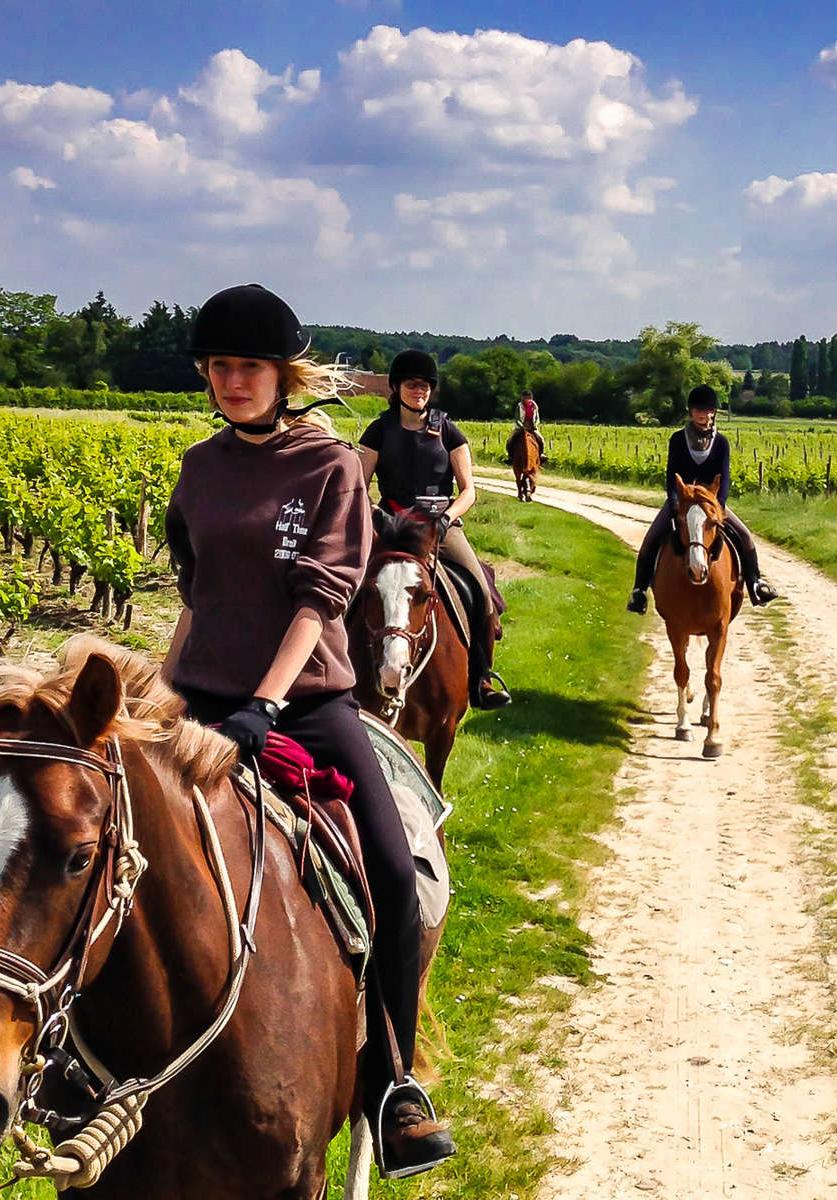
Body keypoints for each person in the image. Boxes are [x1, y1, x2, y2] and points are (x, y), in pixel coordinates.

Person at [162, 284, 455, 1179]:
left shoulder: (329, 466)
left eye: (246, 366)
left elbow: (320, 599)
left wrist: (265, 703)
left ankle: (394, 1080)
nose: (229, 381)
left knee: (396, 876)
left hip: (307, 704)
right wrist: (163, 692)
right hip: (202, 700)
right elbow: (197, 595)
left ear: (285, 375)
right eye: (216, 367)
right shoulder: (199, 467)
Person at [356, 350, 511, 710]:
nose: (419, 391)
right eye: (412, 385)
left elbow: (469, 490)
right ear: (396, 387)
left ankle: (481, 678)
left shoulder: (448, 431)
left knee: (481, 592)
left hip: (439, 525)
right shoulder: (379, 430)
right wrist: (376, 515)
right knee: (351, 587)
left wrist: (447, 517)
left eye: (425, 385)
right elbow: (359, 486)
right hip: (392, 526)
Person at [628, 384, 780, 614]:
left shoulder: (721, 443)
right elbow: (671, 478)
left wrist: (718, 505)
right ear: (690, 411)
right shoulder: (678, 440)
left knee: (746, 537)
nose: (702, 414)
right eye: (698, 409)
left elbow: (725, 479)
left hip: (712, 506)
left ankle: (756, 583)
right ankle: (639, 592)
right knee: (650, 541)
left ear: (714, 412)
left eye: (707, 409)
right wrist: (676, 504)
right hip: (683, 503)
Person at [513, 389, 546, 460]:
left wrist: (535, 424)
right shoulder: (519, 406)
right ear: (522, 398)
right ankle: (510, 455)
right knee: (511, 439)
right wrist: (522, 427)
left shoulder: (535, 406)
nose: (527, 400)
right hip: (521, 425)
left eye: (528, 398)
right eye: (525, 398)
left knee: (541, 439)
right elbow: (517, 419)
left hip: (532, 425)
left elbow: (538, 419)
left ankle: (541, 454)